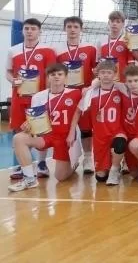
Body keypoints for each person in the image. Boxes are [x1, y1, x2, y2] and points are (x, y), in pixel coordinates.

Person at [8, 63, 81, 192]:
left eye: (60, 74)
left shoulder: (76, 93)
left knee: (60, 177)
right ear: (48, 78)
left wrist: (72, 133)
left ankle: (73, 164)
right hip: (46, 135)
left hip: (64, 138)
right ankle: (29, 178)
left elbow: (79, 112)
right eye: (53, 74)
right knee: (19, 138)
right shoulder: (38, 96)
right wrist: (28, 125)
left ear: (66, 77)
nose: (56, 77)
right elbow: (35, 120)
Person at [6, 17, 58, 181]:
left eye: (33, 29)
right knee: (19, 131)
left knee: (40, 130)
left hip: (39, 98)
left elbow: (51, 74)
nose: (29, 31)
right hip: (19, 97)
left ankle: (42, 163)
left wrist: (48, 95)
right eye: (27, 28)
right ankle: (24, 167)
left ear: (39, 32)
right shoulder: (13, 50)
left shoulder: (48, 50)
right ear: (22, 31)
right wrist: (12, 80)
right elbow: (8, 71)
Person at [57, 16, 98, 175]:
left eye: (75, 27)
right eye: (69, 27)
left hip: (84, 94)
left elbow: (97, 72)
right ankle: (70, 158)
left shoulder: (90, 48)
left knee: (86, 128)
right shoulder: (57, 50)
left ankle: (88, 158)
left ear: (81, 29)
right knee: (66, 128)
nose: (72, 30)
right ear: (64, 29)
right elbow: (54, 73)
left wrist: (90, 87)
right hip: (65, 95)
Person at [79, 59, 128, 186]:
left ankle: (115, 169)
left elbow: (135, 89)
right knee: (101, 178)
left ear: (115, 74)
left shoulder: (120, 89)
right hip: (100, 136)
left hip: (117, 131)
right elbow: (79, 110)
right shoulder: (91, 93)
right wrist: (89, 88)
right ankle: (111, 166)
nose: (106, 75)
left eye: (109, 72)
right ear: (98, 74)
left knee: (120, 143)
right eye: (103, 72)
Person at [99, 10, 132, 82]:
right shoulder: (101, 41)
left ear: (123, 24)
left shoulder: (127, 40)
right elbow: (98, 63)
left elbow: (131, 64)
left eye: (118, 22)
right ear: (108, 23)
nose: (114, 24)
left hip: (122, 81)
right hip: (105, 81)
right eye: (112, 21)